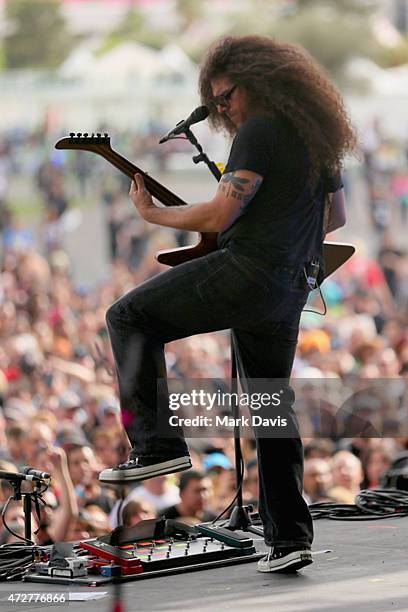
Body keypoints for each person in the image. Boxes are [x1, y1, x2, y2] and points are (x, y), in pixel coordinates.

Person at [99, 35, 357, 572]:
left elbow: (219, 215)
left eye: (226, 96)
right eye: (215, 100)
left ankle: (156, 445)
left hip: (251, 273)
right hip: (292, 286)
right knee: (269, 404)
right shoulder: (318, 138)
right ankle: (290, 539)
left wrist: (154, 216)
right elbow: (337, 219)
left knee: (127, 317)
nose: (221, 108)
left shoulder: (260, 130)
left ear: (260, 82)